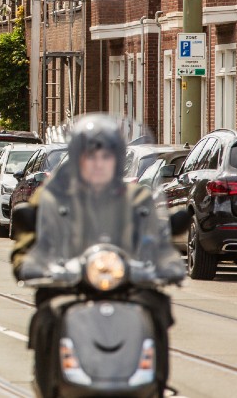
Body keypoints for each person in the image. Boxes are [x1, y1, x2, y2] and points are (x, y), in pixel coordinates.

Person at [10, 114, 184, 387]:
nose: (98, 164)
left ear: (116, 160)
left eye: (106, 157)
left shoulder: (135, 197)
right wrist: (29, 263)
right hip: (70, 287)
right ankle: (49, 387)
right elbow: (28, 239)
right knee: (48, 314)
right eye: (91, 157)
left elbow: (153, 237)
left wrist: (164, 260)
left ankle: (155, 384)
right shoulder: (53, 196)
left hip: (127, 288)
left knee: (156, 309)